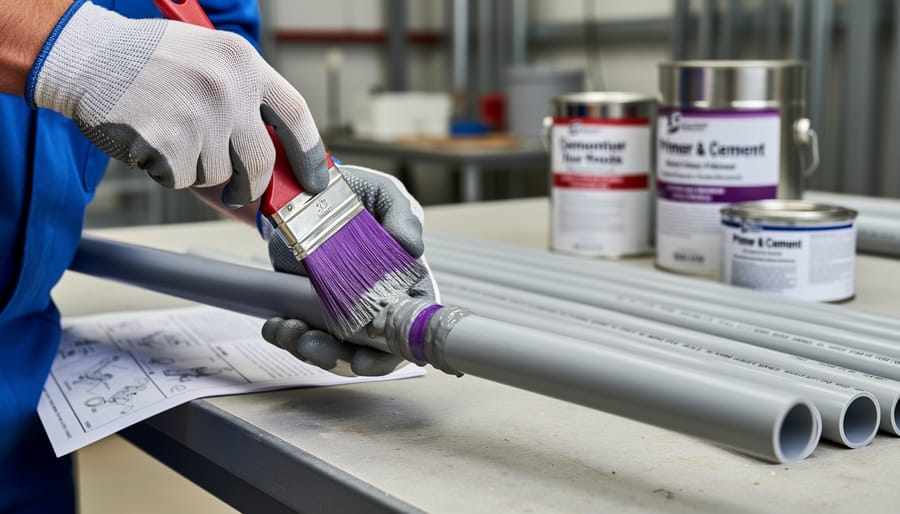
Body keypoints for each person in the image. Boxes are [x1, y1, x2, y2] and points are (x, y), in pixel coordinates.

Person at [0, 1, 428, 511]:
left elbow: (217, 102)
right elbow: (98, 58)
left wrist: (307, 198)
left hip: (19, 402)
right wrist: (77, 51)